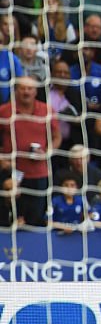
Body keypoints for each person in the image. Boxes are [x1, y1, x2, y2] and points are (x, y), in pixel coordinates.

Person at [0, 76, 61, 226]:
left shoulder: (47, 110)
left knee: (35, 219)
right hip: (11, 174)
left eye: (30, 88)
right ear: (16, 90)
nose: (26, 92)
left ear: (36, 91)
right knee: (10, 219)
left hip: (39, 174)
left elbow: (57, 137)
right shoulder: (4, 111)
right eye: (22, 88)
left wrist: (47, 152)